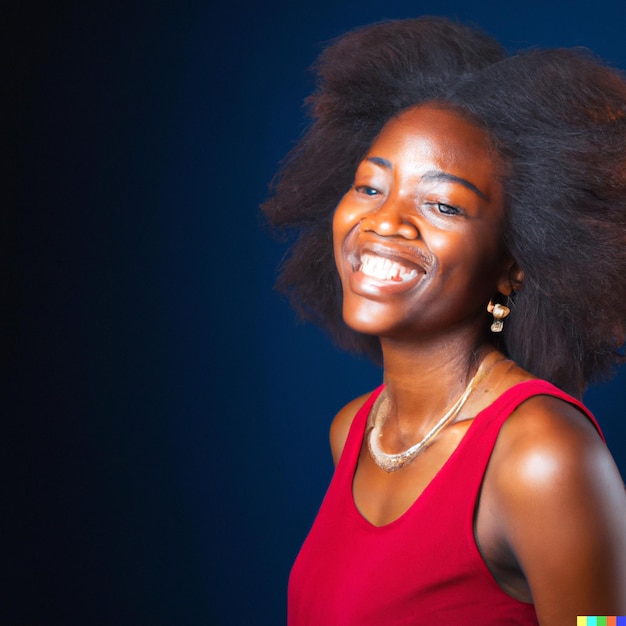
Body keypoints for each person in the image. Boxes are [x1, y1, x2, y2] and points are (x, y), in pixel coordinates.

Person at [262, 17, 626, 625]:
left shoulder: (542, 454)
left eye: (442, 204)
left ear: (514, 263)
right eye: (371, 187)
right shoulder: (355, 432)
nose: (386, 223)